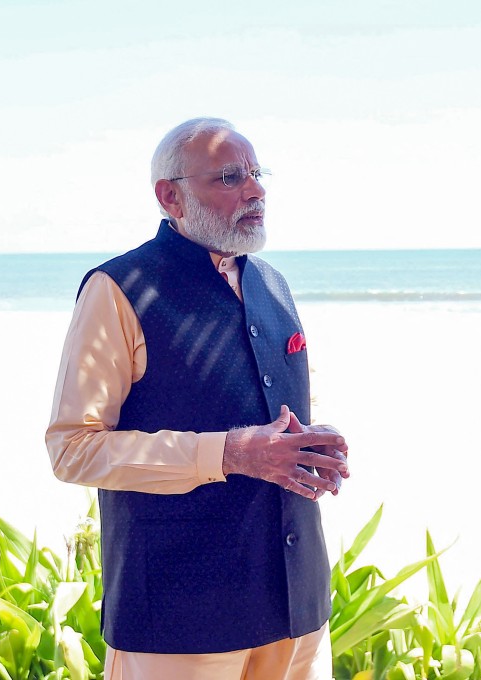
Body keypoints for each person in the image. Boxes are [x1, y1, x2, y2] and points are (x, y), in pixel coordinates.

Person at [46, 117, 350, 679]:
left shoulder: (273, 285)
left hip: (298, 609)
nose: (255, 190)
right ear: (171, 196)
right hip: (178, 619)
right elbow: (72, 450)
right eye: (230, 177)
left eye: (256, 174)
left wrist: (308, 445)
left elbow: (260, 414)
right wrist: (228, 453)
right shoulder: (119, 290)